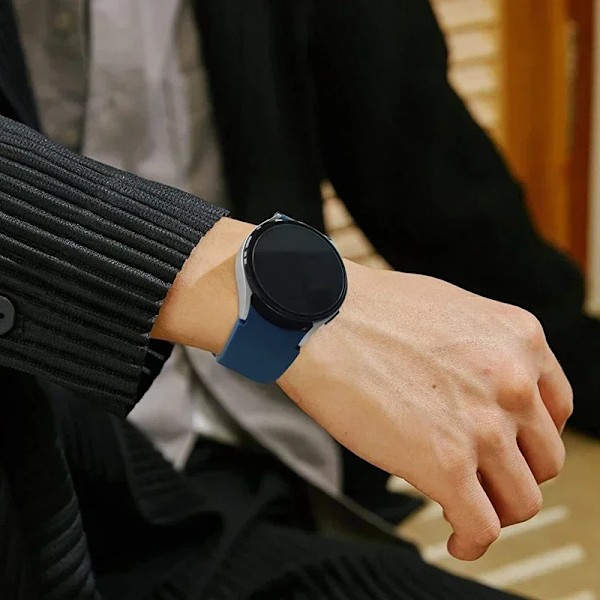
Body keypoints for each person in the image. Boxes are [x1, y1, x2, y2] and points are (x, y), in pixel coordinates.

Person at [0, 0, 573, 598]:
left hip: (266, 459)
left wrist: (552, 355)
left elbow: (423, 156)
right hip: (43, 475)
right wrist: (292, 310)